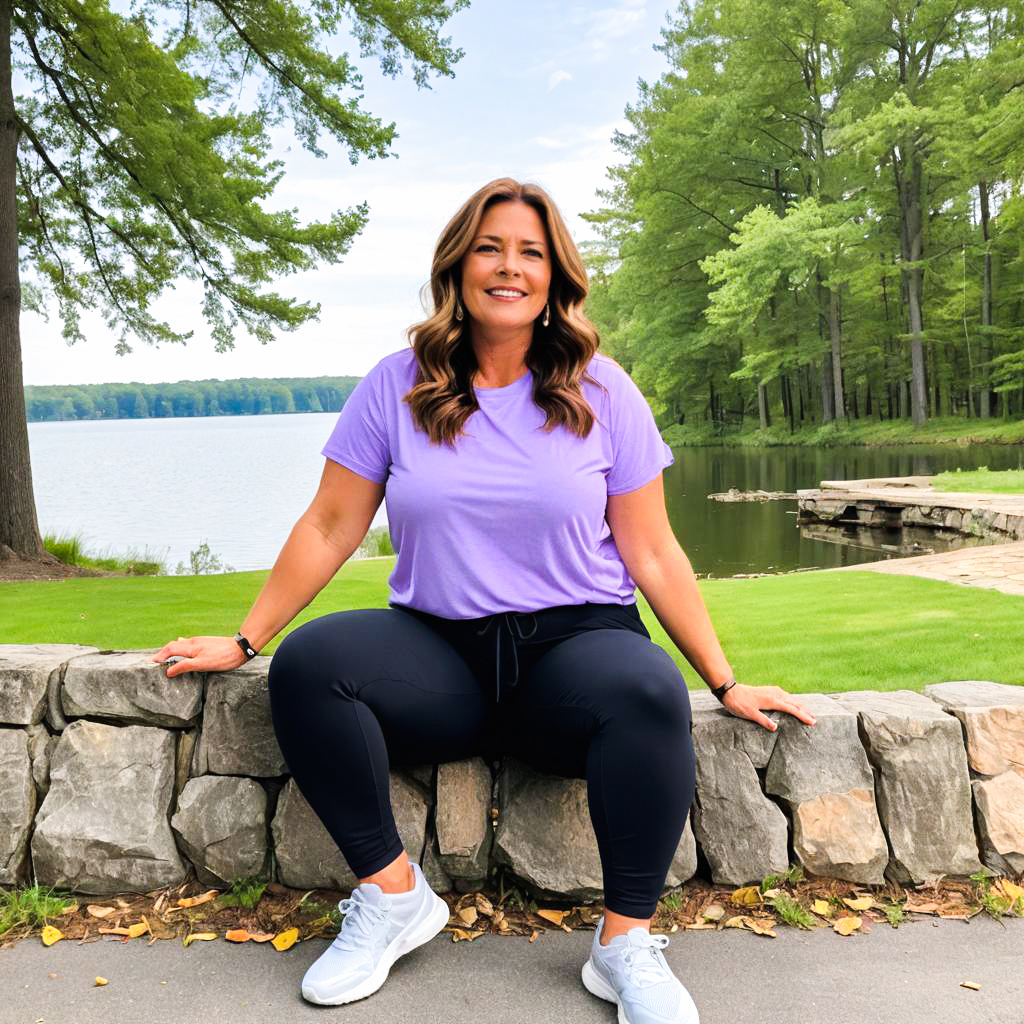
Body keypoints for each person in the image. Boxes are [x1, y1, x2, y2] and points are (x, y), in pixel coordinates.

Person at [153, 177, 816, 1024]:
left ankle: (623, 945)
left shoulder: (603, 391)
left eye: (531, 252)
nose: (510, 267)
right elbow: (329, 524)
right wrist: (245, 640)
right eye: (490, 248)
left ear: (555, 278)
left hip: (576, 658)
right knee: (314, 663)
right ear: (458, 268)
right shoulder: (396, 386)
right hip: (442, 658)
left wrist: (725, 682)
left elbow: (652, 548)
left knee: (650, 687)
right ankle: (393, 897)